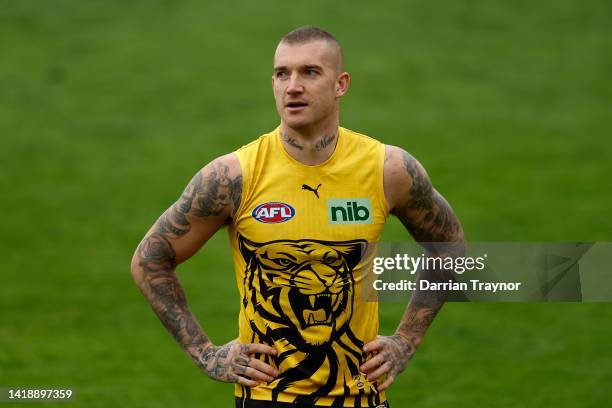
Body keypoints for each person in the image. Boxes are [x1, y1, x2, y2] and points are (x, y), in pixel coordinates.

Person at [131, 26, 464, 408]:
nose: (292, 86)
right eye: (281, 73)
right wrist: (206, 354)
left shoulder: (388, 170)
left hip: (361, 398)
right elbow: (150, 259)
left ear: (340, 84)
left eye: (309, 72)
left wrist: (406, 340)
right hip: (266, 397)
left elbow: (450, 247)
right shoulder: (233, 177)